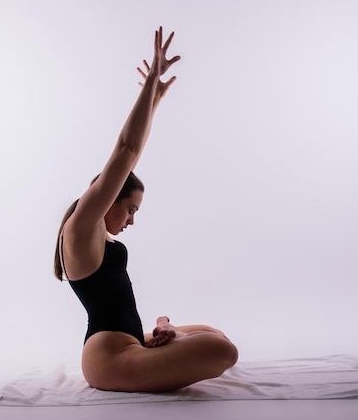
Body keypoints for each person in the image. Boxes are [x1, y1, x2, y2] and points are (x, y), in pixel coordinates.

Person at [54, 27, 238, 392]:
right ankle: (165, 330)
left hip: (129, 342)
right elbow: (126, 150)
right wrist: (150, 83)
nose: (133, 220)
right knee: (222, 350)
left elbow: (128, 152)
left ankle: (163, 326)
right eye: (130, 209)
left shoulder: (94, 234)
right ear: (108, 198)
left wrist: (155, 96)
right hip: (110, 360)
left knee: (212, 333)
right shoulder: (81, 228)